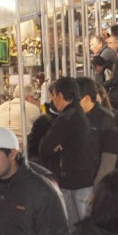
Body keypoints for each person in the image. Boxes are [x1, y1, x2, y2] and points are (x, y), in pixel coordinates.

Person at [39, 76, 98, 226]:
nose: (52, 100)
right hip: (85, 179)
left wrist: (57, 148)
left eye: (54, 95)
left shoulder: (66, 117)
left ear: (60, 95)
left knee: (74, 228)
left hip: (72, 182)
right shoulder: (80, 114)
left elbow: (45, 148)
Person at [76, 76, 118, 183]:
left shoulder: (106, 119)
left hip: (93, 183)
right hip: (73, 183)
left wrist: (98, 186)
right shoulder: (73, 117)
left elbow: (109, 159)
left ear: (86, 99)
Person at [0, 82, 42, 146]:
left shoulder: (1, 107)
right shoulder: (34, 108)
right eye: (33, 98)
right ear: (29, 97)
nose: (33, 100)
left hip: (0, 143)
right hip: (22, 146)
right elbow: (39, 128)